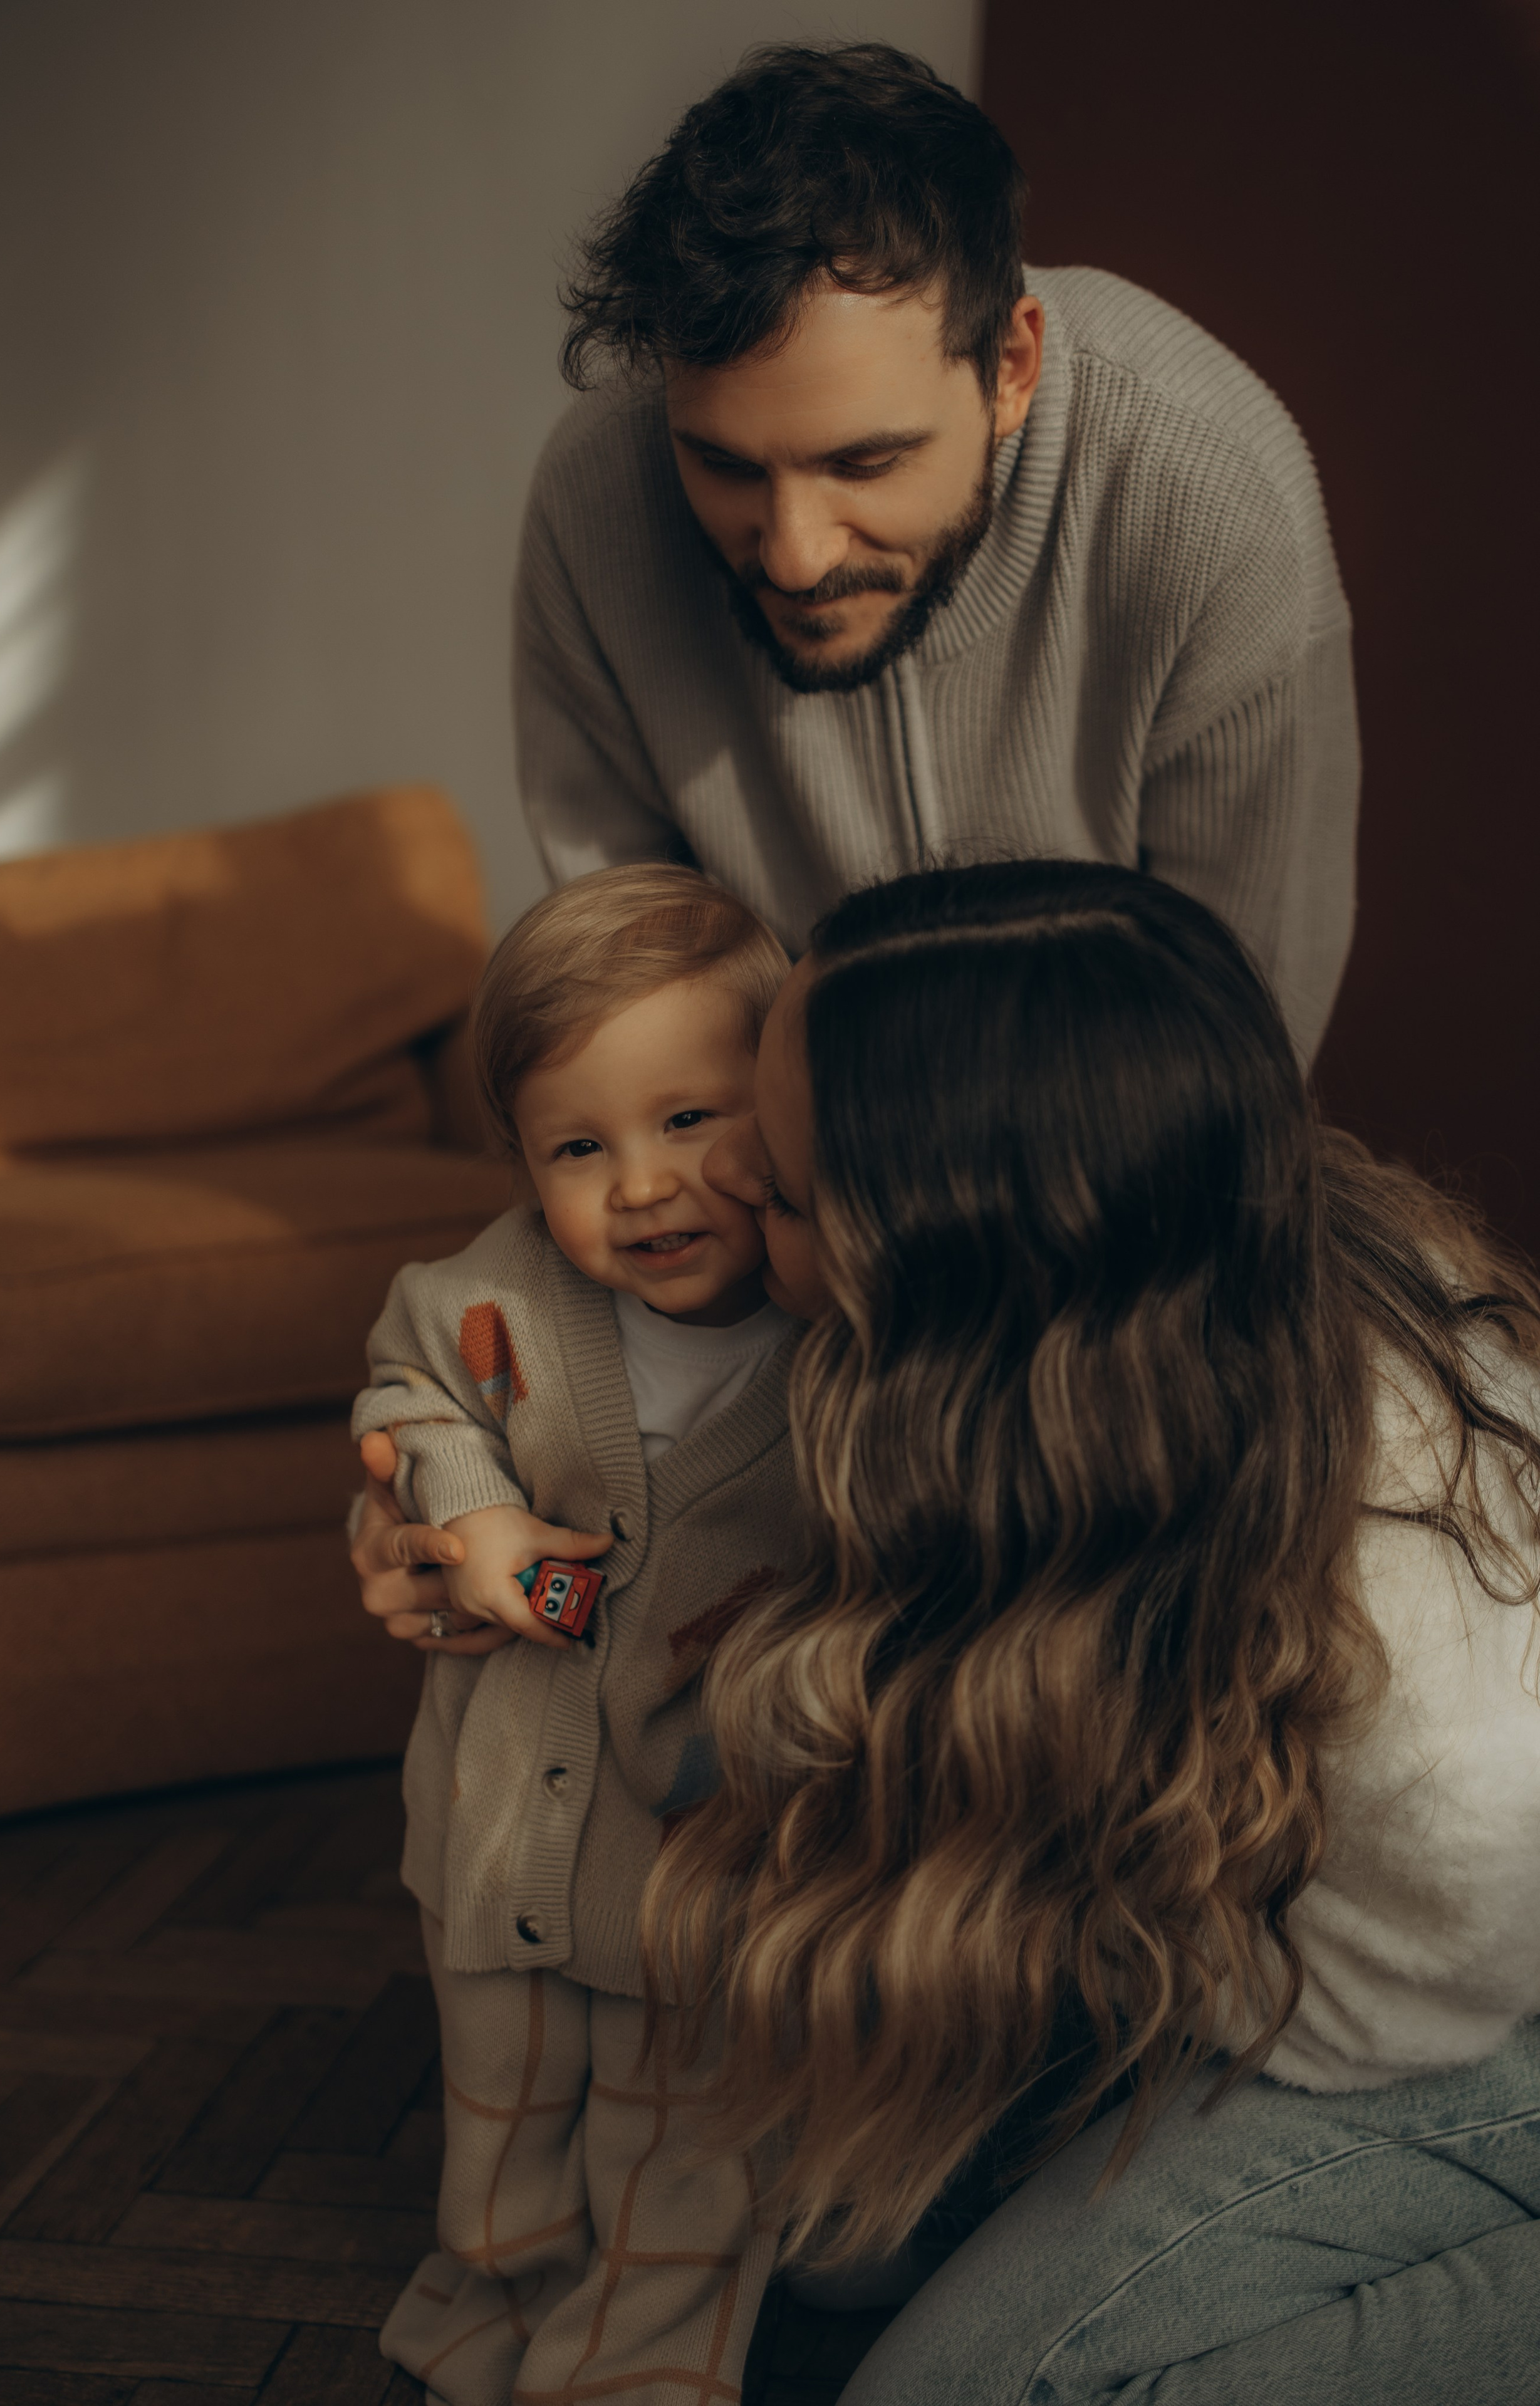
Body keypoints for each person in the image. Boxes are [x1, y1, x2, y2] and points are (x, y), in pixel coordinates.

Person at [629, 858, 1539, 2403]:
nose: (716, 1193)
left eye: (776, 1188)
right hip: (1271, 1907)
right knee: (830, 2230)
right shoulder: (1155, 1324)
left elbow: (1396, 2009)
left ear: (951, 1275)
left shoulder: (1446, 1754)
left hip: (1458, 2025)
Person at [518, 41, 1359, 1068]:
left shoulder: (1214, 496)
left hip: (1108, 1177)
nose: (793, 557)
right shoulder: (596, 492)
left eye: (866, 462)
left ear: (1010, 367)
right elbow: (638, 1020)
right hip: (757, 1165)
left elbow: (1236, 1037)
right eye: (725, 464)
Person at [351, 865, 800, 2404]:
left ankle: (633, 2370)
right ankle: (484, 2312)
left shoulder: (837, 1351)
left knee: (680, 2154)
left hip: (699, 1875)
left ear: (785, 1107)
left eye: (691, 1121)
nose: (642, 1186)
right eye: (578, 1148)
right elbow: (409, 1394)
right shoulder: (489, 1299)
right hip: (490, 1837)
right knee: (502, 2128)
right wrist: (464, 1509)